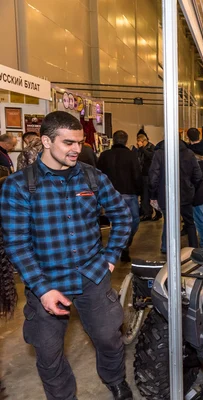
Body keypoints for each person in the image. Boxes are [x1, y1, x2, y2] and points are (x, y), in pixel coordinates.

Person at [0, 111, 133, 400]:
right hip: (46, 281)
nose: (76, 149)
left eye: (80, 142)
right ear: (46, 141)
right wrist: (43, 289)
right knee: (48, 353)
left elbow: (122, 216)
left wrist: (110, 257)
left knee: (109, 338)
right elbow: (16, 244)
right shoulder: (19, 185)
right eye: (68, 143)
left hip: (92, 276)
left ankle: (114, 380)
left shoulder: (92, 177)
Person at [149, 138, 202, 253]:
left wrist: (153, 195)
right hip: (186, 194)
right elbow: (198, 174)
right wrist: (191, 187)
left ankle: (166, 248)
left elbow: (153, 177)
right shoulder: (189, 153)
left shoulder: (159, 154)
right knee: (189, 222)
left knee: (168, 221)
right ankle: (194, 247)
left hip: (165, 195)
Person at [97, 130, 142, 262]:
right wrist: (140, 192)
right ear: (126, 141)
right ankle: (124, 244)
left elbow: (98, 175)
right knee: (134, 220)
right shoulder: (131, 155)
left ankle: (117, 245)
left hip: (109, 195)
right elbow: (137, 175)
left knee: (116, 222)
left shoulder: (104, 155)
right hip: (129, 193)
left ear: (114, 140)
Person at [136, 130, 161, 221]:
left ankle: (157, 212)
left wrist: (143, 150)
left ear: (143, 141)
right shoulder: (139, 150)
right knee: (145, 195)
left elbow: (152, 157)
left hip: (150, 174)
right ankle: (147, 213)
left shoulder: (151, 147)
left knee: (151, 194)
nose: (137, 143)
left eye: (138, 141)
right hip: (143, 174)